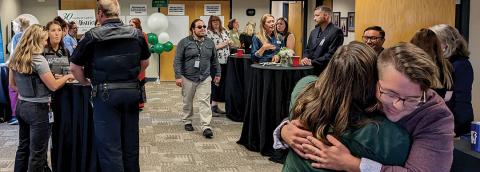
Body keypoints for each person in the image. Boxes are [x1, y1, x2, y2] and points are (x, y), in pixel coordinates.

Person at [277, 43, 454, 171]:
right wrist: (285, 129)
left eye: (412, 99)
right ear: (372, 80)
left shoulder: (436, 117)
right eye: (390, 94)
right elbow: (323, 104)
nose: (398, 105)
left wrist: (354, 164)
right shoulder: (364, 94)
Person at [69, 0, 151, 171]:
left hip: (104, 94)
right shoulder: (136, 33)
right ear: (118, 12)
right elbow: (145, 63)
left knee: (109, 148)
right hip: (131, 92)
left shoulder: (92, 35)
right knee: (131, 144)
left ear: (99, 13)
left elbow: (74, 67)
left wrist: (85, 82)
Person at [9, 24, 74, 172]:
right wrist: (68, 76)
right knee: (38, 154)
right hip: (38, 111)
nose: (46, 43)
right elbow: (54, 86)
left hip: (21, 106)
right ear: (36, 40)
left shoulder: (16, 57)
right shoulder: (39, 60)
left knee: (23, 148)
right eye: (44, 40)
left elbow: (12, 85)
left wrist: (28, 92)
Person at [174, 19, 221, 138]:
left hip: (204, 77)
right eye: (199, 27)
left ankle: (206, 126)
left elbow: (215, 60)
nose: (203, 29)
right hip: (188, 77)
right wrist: (178, 76)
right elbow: (177, 60)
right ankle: (187, 120)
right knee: (187, 101)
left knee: (204, 101)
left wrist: (218, 74)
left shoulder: (210, 43)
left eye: (204, 26)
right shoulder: (184, 42)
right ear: (193, 29)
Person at [431, 24, 474, 136]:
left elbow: (462, 100)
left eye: (434, 42)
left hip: (455, 126)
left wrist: (455, 128)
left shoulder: (461, 65)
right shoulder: (442, 64)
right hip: (442, 123)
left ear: (446, 44)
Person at [410, 28, 453, 99]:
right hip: (440, 107)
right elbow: (448, 96)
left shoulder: (410, 65)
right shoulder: (446, 67)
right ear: (437, 45)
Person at [302, 6, 343, 75]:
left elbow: (332, 54)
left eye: (317, 15)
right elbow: (307, 49)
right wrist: (305, 58)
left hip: (325, 71)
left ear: (326, 16)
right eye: (314, 15)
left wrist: (312, 62)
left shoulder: (336, 31)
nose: (314, 18)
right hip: (310, 69)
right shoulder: (313, 32)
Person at [6, 17, 29, 125]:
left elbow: (13, 53)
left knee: (13, 89)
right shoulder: (28, 35)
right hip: (26, 65)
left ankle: (15, 115)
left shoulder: (17, 36)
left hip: (16, 64)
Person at [207, 15, 231, 115]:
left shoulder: (224, 30)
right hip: (215, 63)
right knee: (214, 84)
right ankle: (210, 107)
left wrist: (229, 43)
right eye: (213, 21)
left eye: (217, 21)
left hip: (226, 61)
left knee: (220, 84)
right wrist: (224, 44)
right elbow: (209, 48)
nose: (216, 23)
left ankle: (215, 106)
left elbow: (229, 41)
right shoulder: (208, 33)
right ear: (210, 23)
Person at [129, 17, 149, 110]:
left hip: (140, 62)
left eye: (132, 25)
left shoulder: (142, 35)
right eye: (129, 25)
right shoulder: (128, 34)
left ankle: (140, 104)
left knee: (139, 81)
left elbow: (145, 49)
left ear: (137, 25)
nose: (130, 27)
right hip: (131, 61)